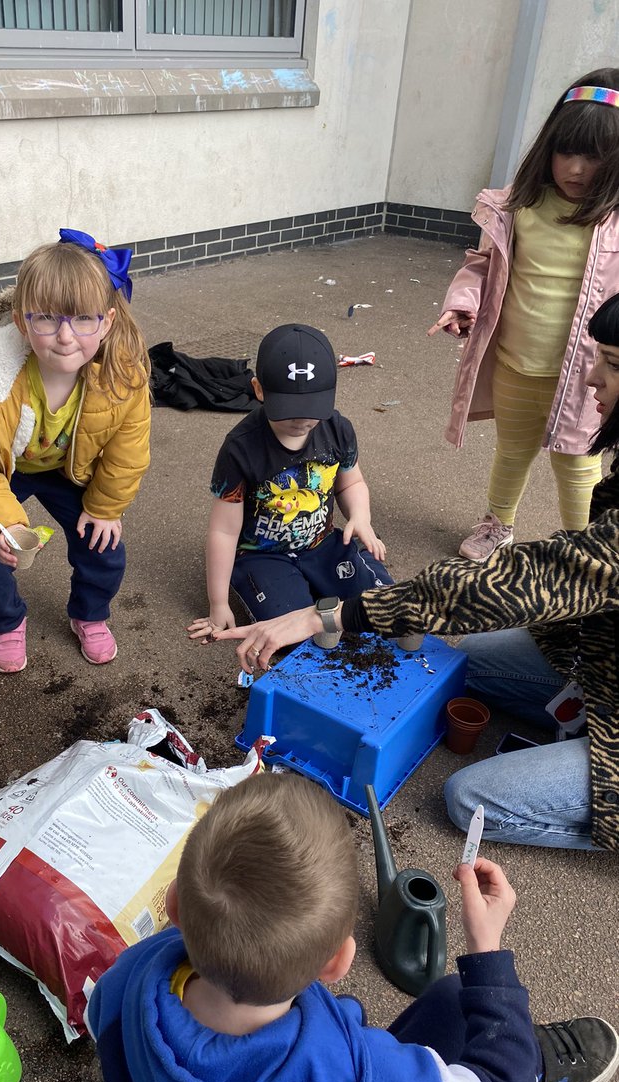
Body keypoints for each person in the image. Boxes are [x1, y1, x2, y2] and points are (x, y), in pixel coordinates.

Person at [87, 773, 617, 1082]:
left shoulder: (131, 977)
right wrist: (489, 957)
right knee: (459, 1001)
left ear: (173, 905)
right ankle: (520, 1055)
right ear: (338, 961)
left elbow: (97, 1021)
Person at [218, 292, 619, 853]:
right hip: (601, 663)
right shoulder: (246, 446)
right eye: (599, 355)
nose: (590, 377)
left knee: (466, 800)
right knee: (462, 658)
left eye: (613, 363)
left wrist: (327, 615)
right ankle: (577, 717)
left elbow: (525, 583)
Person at [0, 229, 150, 673]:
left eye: (83, 319)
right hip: (2, 469)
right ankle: (6, 621)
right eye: (47, 319)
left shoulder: (124, 381)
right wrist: (6, 525)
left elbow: (128, 451)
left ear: (106, 322)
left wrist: (106, 507)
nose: (66, 336)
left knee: (104, 545)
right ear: (21, 321)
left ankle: (89, 613)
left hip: (70, 469)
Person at [429, 67, 619, 562]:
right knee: (512, 452)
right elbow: (482, 267)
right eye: (566, 151)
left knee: (579, 466)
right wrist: (462, 305)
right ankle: (498, 523)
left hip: (584, 378)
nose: (576, 168)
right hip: (515, 362)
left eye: (595, 156)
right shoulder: (519, 206)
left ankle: (587, 550)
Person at [187, 323, 390, 645]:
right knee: (291, 634)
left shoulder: (337, 429)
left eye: (311, 409)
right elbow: (223, 530)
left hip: (321, 544)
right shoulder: (241, 447)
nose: (301, 420)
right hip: (262, 555)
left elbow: (351, 482)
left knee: (378, 606)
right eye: (289, 410)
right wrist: (218, 604)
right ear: (259, 390)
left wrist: (360, 516)